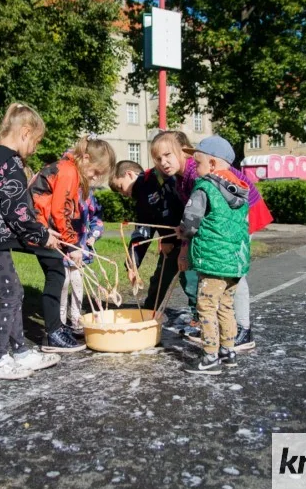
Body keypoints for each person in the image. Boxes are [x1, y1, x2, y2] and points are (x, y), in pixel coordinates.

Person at [152, 131, 271, 350]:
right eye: (158, 158)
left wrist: (185, 246)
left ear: (183, 153)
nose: (163, 162)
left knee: (232, 268)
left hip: (241, 211)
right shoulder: (183, 176)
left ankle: (243, 330)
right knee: (225, 267)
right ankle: (222, 329)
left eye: (168, 155)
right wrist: (185, 248)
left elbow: (197, 216)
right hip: (228, 215)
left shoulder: (196, 172)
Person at [0, 103, 62, 378]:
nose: (34, 148)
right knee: (11, 295)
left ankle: (20, 351)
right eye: (36, 141)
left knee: (14, 292)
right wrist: (42, 235)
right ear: (25, 132)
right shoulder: (8, 163)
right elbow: (17, 211)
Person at [30, 134, 116, 352]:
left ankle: (57, 328)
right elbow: (60, 211)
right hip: (36, 225)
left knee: (57, 272)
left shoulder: (70, 169)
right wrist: (72, 245)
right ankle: (53, 333)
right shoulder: (68, 170)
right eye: (96, 172)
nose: (95, 178)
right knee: (57, 273)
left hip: (42, 226)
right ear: (85, 158)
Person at [176, 136, 250, 375]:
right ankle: (228, 350)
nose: (194, 169)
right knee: (226, 306)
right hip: (234, 262)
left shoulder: (204, 187)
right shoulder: (240, 191)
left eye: (197, 164)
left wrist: (183, 232)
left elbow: (190, 221)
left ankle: (210, 356)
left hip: (212, 261)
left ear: (212, 165)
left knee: (206, 306)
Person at [109, 159, 185, 315]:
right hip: (170, 245)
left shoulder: (157, 178)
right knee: (159, 281)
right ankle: (148, 314)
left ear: (129, 174)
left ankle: (202, 321)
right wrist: (132, 264)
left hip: (187, 241)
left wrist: (168, 239)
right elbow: (142, 232)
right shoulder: (142, 198)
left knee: (190, 282)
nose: (123, 194)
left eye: (121, 187)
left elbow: (172, 206)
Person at [59, 187, 104, 335]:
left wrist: (94, 235)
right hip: (62, 247)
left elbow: (96, 218)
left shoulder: (87, 193)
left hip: (81, 246)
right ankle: (60, 321)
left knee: (78, 280)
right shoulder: (62, 189)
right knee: (63, 282)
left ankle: (76, 318)